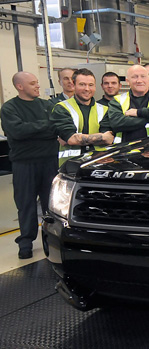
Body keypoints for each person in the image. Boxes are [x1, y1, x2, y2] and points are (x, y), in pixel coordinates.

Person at [0, 72, 58, 259]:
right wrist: (45, 127)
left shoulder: (46, 105)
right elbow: (17, 131)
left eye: (37, 82)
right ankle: (25, 242)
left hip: (49, 162)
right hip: (24, 164)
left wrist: (33, 128)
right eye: (32, 83)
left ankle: (52, 239)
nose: (37, 86)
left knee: (52, 205)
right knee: (26, 204)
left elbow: (56, 126)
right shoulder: (10, 108)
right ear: (20, 86)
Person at [50, 68, 115, 166]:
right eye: (82, 84)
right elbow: (71, 139)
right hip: (71, 165)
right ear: (73, 85)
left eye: (91, 85)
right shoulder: (62, 108)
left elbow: (109, 139)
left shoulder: (105, 109)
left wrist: (76, 138)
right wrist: (101, 137)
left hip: (99, 163)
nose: (87, 89)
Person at [100, 64, 149, 144]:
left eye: (143, 76)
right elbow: (117, 123)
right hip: (125, 152)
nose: (139, 80)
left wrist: (138, 112)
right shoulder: (117, 101)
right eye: (134, 77)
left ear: (148, 79)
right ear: (127, 81)